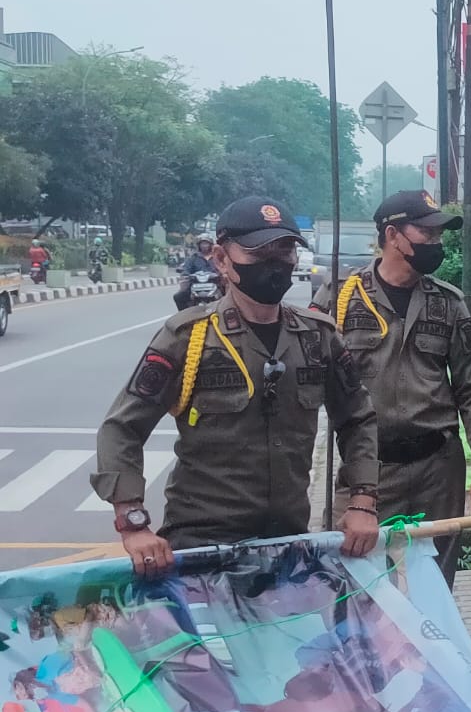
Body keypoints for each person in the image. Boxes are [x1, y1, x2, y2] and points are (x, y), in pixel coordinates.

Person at [93, 197, 381, 577]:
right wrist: (133, 523)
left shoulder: (318, 337)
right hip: (199, 548)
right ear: (220, 258)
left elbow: (357, 418)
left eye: (284, 250)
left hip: (286, 545)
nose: (275, 263)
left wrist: (362, 501)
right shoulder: (187, 337)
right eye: (258, 252)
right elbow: (122, 428)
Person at [309, 190, 471, 589]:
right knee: (354, 583)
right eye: (426, 233)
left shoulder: (448, 303)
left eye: (438, 234)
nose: (436, 243)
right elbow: (307, 382)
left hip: (438, 469)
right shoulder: (339, 298)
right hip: (368, 472)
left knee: (434, 586)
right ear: (393, 235)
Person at [174, 234, 217, 310]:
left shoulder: (217, 257)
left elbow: (224, 267)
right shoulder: (193, 257)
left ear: (211, 245)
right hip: (195, 285)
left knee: (230, 296)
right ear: (199, 245)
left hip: (216, 284)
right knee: (178, 297)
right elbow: (186, 269)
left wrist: (222, 274)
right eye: (202, 244)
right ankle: (184, 317)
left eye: (206, 243)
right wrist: (185, 274)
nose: (204, 246)